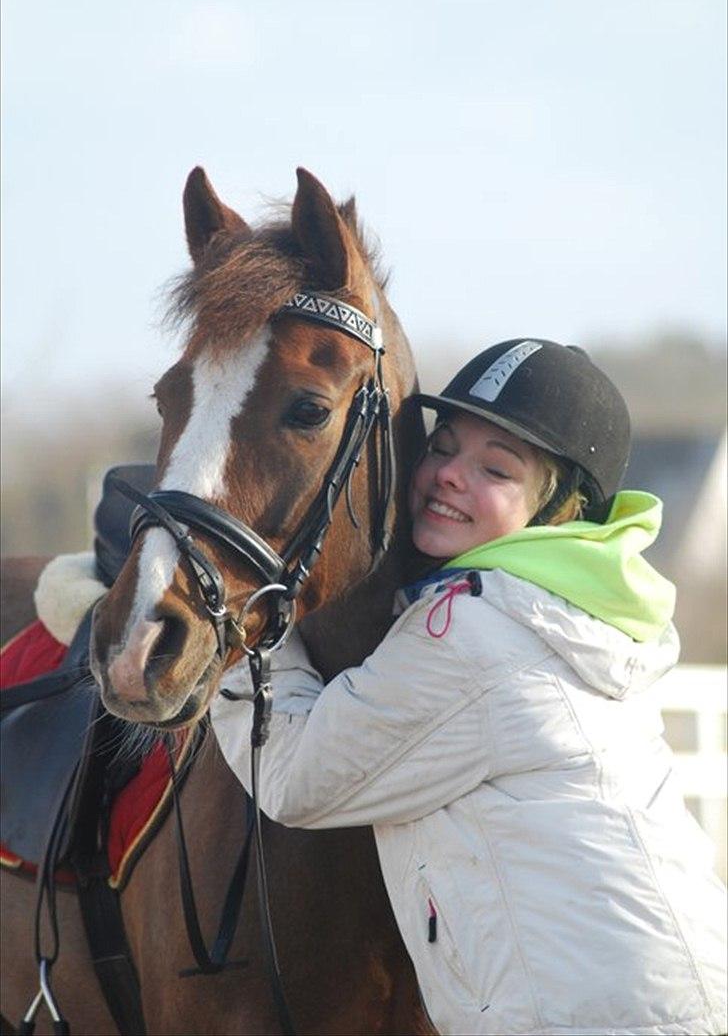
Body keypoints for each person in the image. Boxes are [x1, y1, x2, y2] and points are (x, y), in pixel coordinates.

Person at [211, 338, 727, 1036]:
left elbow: (297, 775)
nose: (450, 475)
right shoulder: (577, 614)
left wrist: (231, 625)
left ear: (562, 512)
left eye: (495, 468)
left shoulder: (475, 633)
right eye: (444, 447)